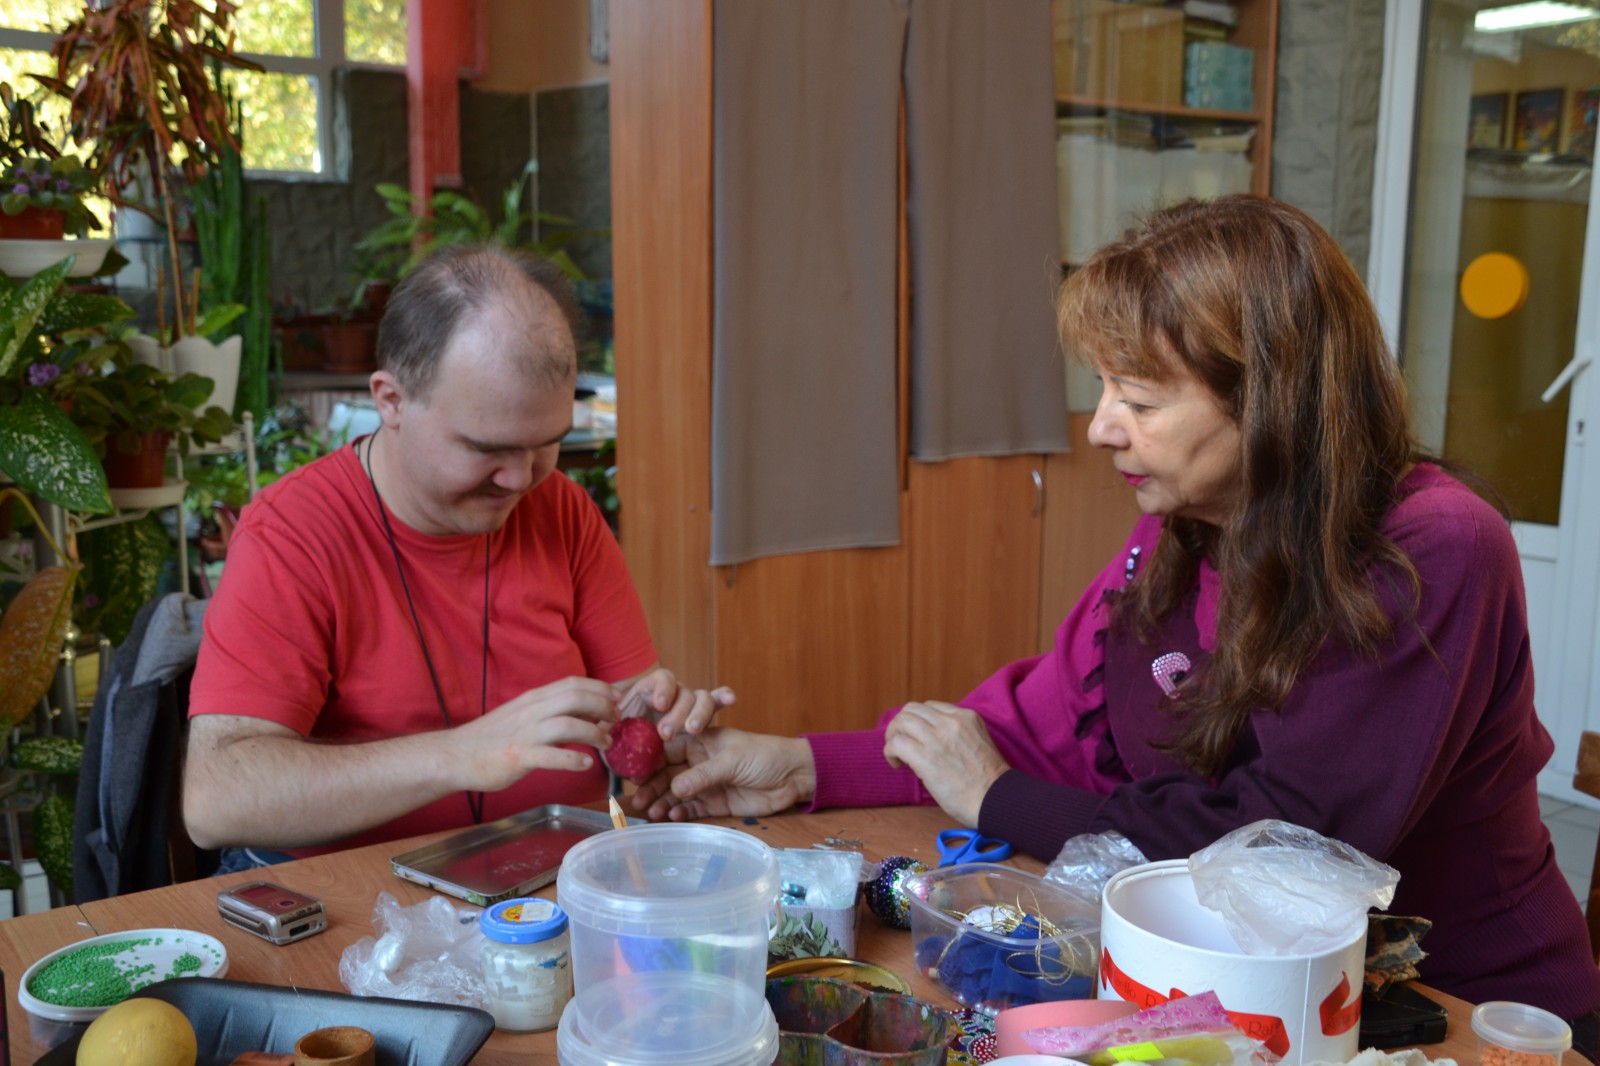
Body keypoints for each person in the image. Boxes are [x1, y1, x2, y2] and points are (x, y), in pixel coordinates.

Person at [631, 196, 1600, 1041]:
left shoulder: (1432, 548)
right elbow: (1037, 725)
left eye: (1136, 397)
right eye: (1103, 389)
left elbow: (1289, 854)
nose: (1100, 427)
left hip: (1454, 1007)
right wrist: (802, 765)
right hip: (1235, 996)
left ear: (1271, 400)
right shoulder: (1182, 532)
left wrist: (999, 799)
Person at [184, 244, 727, 867]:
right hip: (353, 900)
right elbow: (215, 798)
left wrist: (664, 731)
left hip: (553, 882)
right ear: (390, 401)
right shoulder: (292, 535)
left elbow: (630, 719)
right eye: (486, 448)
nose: (521, 479)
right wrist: (461, 753)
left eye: (546, 443)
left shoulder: (562, 508)